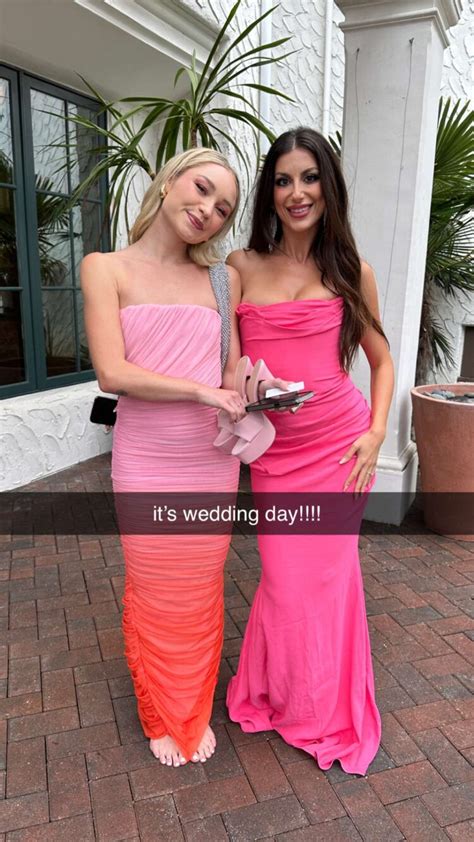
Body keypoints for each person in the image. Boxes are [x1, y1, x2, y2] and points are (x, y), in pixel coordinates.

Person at [225, 127, 394, 775]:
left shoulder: (352, 272)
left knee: (324, 582)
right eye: (283, 180)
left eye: (310, 177)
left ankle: (320, 707)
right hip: (276, 454)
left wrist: (376, 432)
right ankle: (280, 691)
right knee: (282, 579)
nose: (297, 193)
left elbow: (381, 361)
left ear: (329, 186)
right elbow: (227, 361)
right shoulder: (240, 267)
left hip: (338, 449)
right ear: (269, 192)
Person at [81, 148, 249, 769]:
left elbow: (229, 367)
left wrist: (255, 389)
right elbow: (112, 372)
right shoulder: (104, 267)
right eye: (202, 189)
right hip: (147, 457)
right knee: (155, 587)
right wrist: (202, 392)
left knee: (200, 588)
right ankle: (161, 713)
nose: (208, 210)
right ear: (170, 180)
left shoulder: (223, 280)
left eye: (223, 208)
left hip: (211, 460)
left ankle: (192, 710)